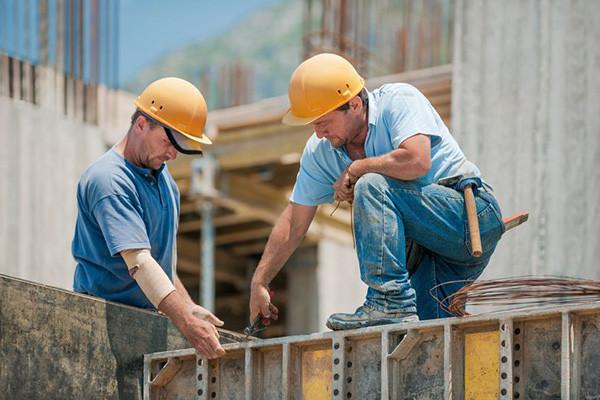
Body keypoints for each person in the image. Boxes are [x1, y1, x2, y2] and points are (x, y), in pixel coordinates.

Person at [249, 53, 504, 330]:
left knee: (371, 184)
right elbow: (294, 221)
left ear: (355, 104)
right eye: (313, 125)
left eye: (323, 122)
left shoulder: (398, 101)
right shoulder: (320, 151)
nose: (319, 133)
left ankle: (388, 302)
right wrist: (260, 280)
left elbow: (418, 160)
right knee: (429, 340)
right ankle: (395, 307)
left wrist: (359, 167)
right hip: (428, 253)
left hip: (469, 217)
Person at [72, 77, 226, 358]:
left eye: (180, 146)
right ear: (141, 124)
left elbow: (157, 263)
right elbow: (140, 263)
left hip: (142, 324)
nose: (173, 154)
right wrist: (187, 325)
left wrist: (188, 306)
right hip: (100, 325)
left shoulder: (165, 183)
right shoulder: (109, 180)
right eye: (169, 141)